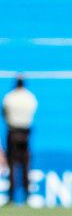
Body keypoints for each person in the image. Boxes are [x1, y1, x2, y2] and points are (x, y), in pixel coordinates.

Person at [3, 76, 36, 205]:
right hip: (25, 133)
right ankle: (27, 195)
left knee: (12, 165)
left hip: (12, 132)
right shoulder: (30, 97)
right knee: (25, 165)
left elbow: (4, 113)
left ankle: (11, 196)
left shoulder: (10, 97)